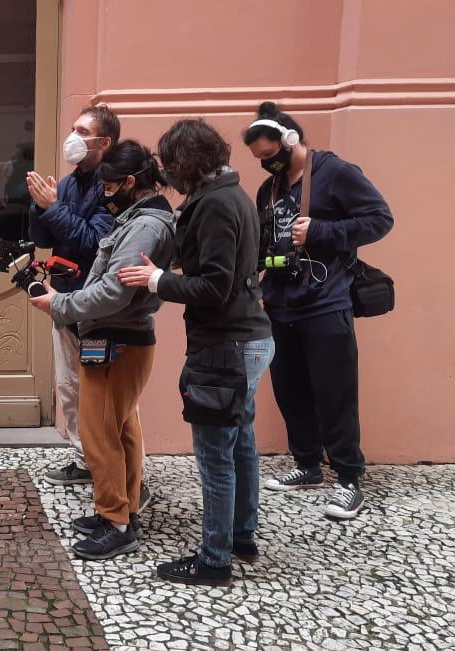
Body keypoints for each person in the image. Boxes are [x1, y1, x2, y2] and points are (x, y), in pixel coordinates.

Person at [119, 119, 273, 587]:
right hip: (249, 339)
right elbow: (224, 269)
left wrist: (158, 281)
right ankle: (242, 537)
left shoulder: (216, 205)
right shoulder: (235, 195)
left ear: (188, 163)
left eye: (171, 165)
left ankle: (214, 560)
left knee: (215, 458)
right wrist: (172, 270)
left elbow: (215, 286)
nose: (168, 174)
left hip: (225, 345)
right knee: (241, 442)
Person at [242, 102, 393, 519]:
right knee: (291, 390)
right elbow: (262, 241)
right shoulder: (267, 189)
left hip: (326, 303)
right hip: (279, 304)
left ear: (290, 140)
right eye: (259, 159)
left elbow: (381, 219)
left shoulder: (336, 172)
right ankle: (307, 465)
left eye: (271, 155)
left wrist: (324, 231)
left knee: (335, 393)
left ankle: (348, 479)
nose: (267, 164)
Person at [28, 140, 175, 560]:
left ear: (131, 181)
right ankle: (119, 510)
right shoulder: (139, 219)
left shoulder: (145, 226)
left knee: (99, 434)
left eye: (110, 186)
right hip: (114, 337)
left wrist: (59, 304)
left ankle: (117, 524)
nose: (106, 193)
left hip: (117, 339)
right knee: (121, 429)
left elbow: (114, 292)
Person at [28, 106, 151, 513]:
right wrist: (40, 205)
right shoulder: (69, 183)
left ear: (104, 142)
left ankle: (129, 482)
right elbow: (46, 237)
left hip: (97, 309)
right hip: (63, 301)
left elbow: (93, 243)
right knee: (69, 390)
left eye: (82, 131)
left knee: (109, 402)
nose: (73, 136)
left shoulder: (113, 189)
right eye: (73, 128)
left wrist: (54, 208)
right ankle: (87, 461)